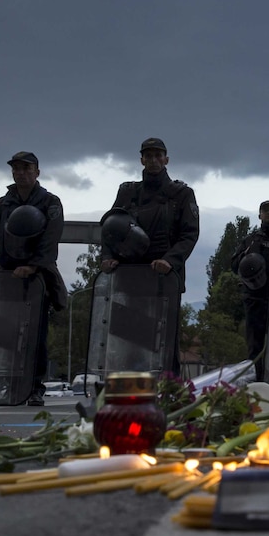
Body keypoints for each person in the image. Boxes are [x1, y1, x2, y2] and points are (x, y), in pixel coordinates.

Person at [0, 151, 67, 406]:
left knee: (35, 334)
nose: (21, 173)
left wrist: (33, 266)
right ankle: (12, 388)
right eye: (17, 169)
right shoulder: (3, 203)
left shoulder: (50, 201)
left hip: (37, 280)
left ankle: (34, 388)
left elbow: (50, 239)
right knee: (8, 335)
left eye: (26, 168)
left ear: (37, 172)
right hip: (7, 276)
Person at [100, 137, 200, 373]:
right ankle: (128, 384)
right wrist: (108, 257)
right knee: (129, 335)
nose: (153, 160)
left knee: (163, 337)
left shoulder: (182, 194)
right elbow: (111, 229)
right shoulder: (128, 192)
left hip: (165, 279)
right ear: (142, 160)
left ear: (166, 159)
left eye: (158, 155)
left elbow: (189, 234)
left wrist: (170, 260)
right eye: (148, 155)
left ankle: (169, 389)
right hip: (130, 276)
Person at [230, 200, 269, 381]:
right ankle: (257, 383)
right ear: (260, 214)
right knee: (255, 346)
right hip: (254, 299)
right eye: (265, 211)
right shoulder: (250, 240)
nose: (268, 214)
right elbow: (234, 265)